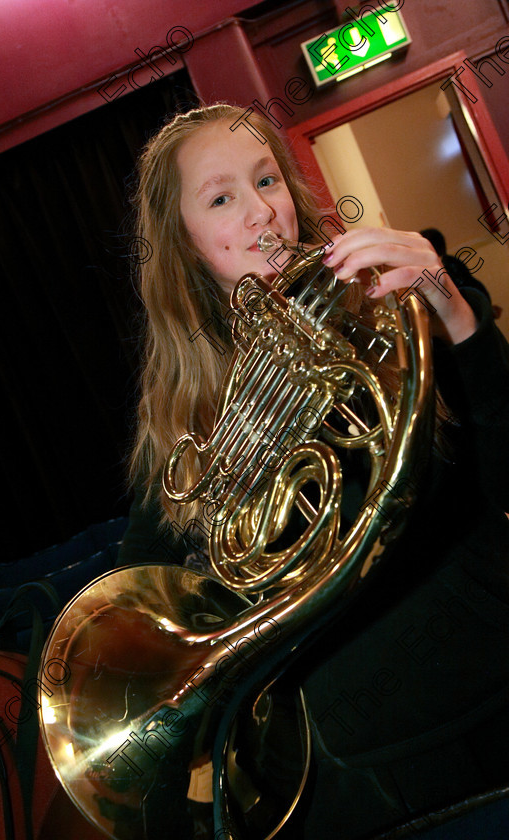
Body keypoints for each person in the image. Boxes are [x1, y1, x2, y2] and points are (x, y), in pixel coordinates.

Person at [118, 103, 509, 838]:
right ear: (187, 245)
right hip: (368, 760)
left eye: (268, 180)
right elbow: (152, 623)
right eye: (223, 197)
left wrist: (455, 314)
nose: (264, 212)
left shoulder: (411, 294)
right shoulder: (183, 424)